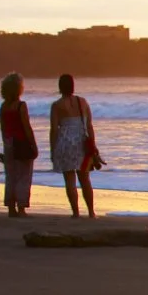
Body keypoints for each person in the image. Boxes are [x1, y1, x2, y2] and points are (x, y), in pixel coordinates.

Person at [49, 73, 97, 218]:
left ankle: (75, 212)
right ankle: (91, 212)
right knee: (85, 178)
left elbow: (54, 129)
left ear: (60, 87)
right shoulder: (82, 102)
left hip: (65, 142)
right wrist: (93, 145)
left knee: (69, 179)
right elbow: (89, 126)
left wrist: (52, 150)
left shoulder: (57, 105)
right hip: (81, 141)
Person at [0, 72, 35, 217]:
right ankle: (21, 207)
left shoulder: (3, 107)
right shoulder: (21, 106)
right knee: (24, 176)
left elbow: (2, 127)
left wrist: (6, 143)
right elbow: (27, 127)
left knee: (10, 176)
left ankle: (11, 207)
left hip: (8, 143)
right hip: (22, 142)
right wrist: (33, 145)